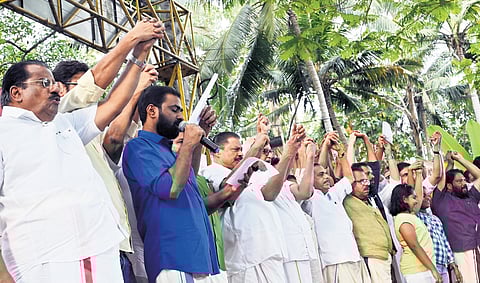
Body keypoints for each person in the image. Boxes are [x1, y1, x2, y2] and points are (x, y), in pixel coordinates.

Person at [123, 85, 242, 282]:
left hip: (199, 258)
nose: (180, 117)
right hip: (173, 258)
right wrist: (188, 143)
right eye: (174, 109)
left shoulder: (170, 152)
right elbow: (171, 188)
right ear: (152, 111)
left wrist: (199, 137)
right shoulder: (138, 147)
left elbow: (189, 179)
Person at [303, 132, 371, 283]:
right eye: (321, 175)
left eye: (326, 174)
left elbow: (349, 178)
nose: (326, 177)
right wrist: (305, 151)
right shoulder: (309, 200)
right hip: (335, 262)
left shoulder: (333, 194)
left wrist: (340, 151)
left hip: (354, 257)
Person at [431, 152, 480, 283]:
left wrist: (460, 159)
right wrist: (449, 163)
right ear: (449, 186)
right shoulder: (441, 200)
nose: (464, 183)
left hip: (476, 247)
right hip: (461, 252)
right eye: (459, 181)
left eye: (464, 180)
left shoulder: (471, 196)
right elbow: (441, 178)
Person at [390, 163, 442, 283]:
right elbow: (414, 246)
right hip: (416, 272)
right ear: (404, 199)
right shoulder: (403, 219)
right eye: (413, 198)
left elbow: (418, 195)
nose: (416, 200)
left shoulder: (410, 215)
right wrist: (433, 269)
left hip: (422, 270)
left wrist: (418, 175)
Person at [343, 166, 394, 283]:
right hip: (372, 256)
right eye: (361, 181)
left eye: (366, 180)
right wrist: (342, 153)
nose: (366, 184)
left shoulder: (370, 200)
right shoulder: (346, 200)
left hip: (383, 256)